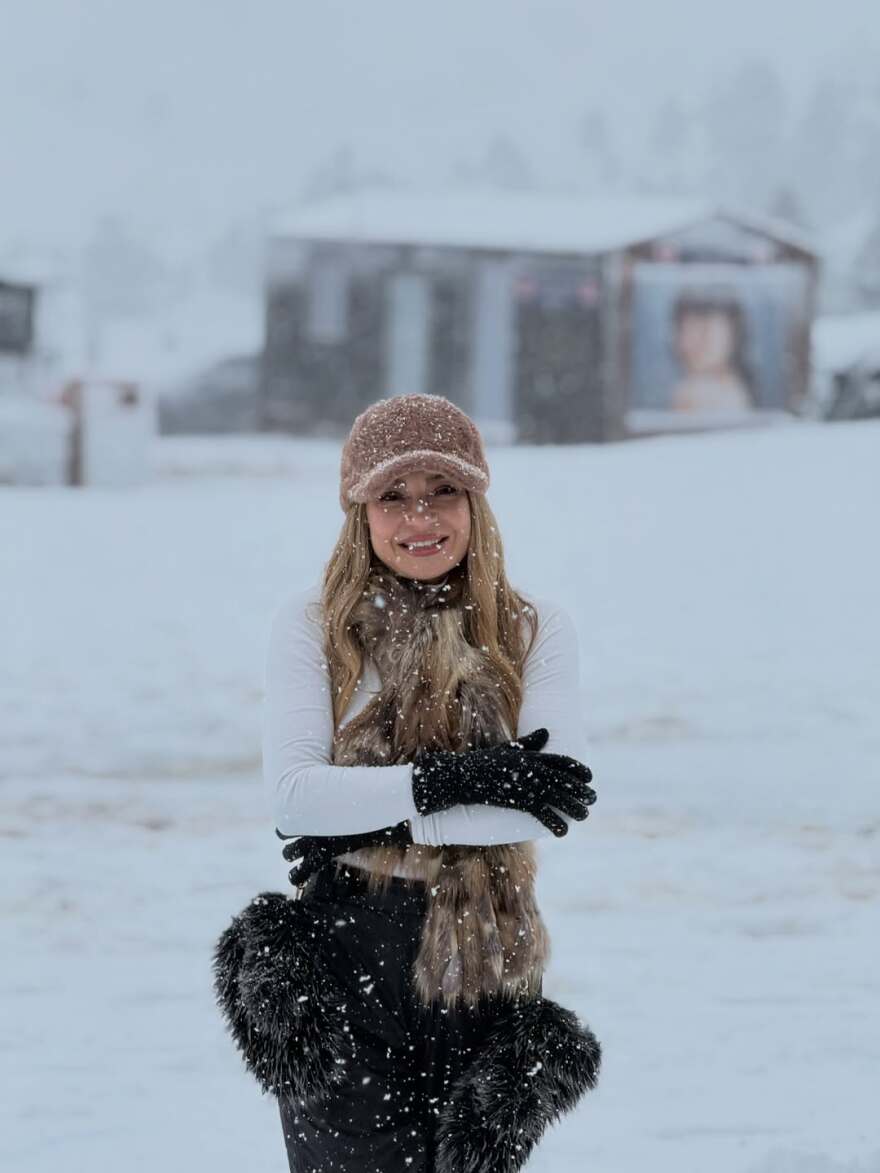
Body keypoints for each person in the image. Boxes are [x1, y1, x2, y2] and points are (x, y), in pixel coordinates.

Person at [213, 393, 601, 1173]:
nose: (419, 516)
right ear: (359, 509)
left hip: (489, 965)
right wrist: (462, 779)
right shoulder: (311, 625)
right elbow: (294, 796)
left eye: (442, 490)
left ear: (475, 501)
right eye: (393, 494)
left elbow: (545, 805)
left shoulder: (532, 629)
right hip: (347, 963)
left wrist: (368, 823)